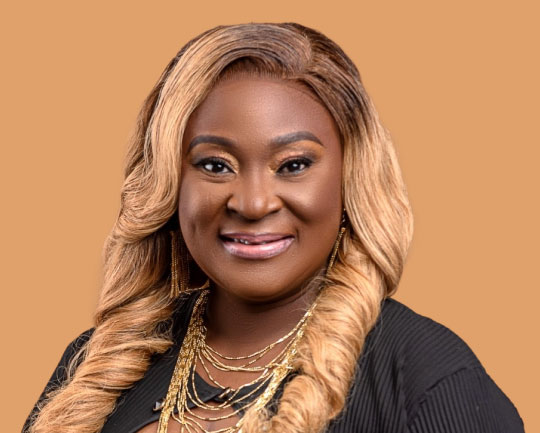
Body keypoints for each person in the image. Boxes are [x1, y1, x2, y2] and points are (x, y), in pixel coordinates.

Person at [23, 22, 524, 433]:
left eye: (293, 165)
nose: (253, 203)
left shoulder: (426, 375)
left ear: (351, 177)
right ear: (169, 183)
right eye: (215, 165)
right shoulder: (97, 366)